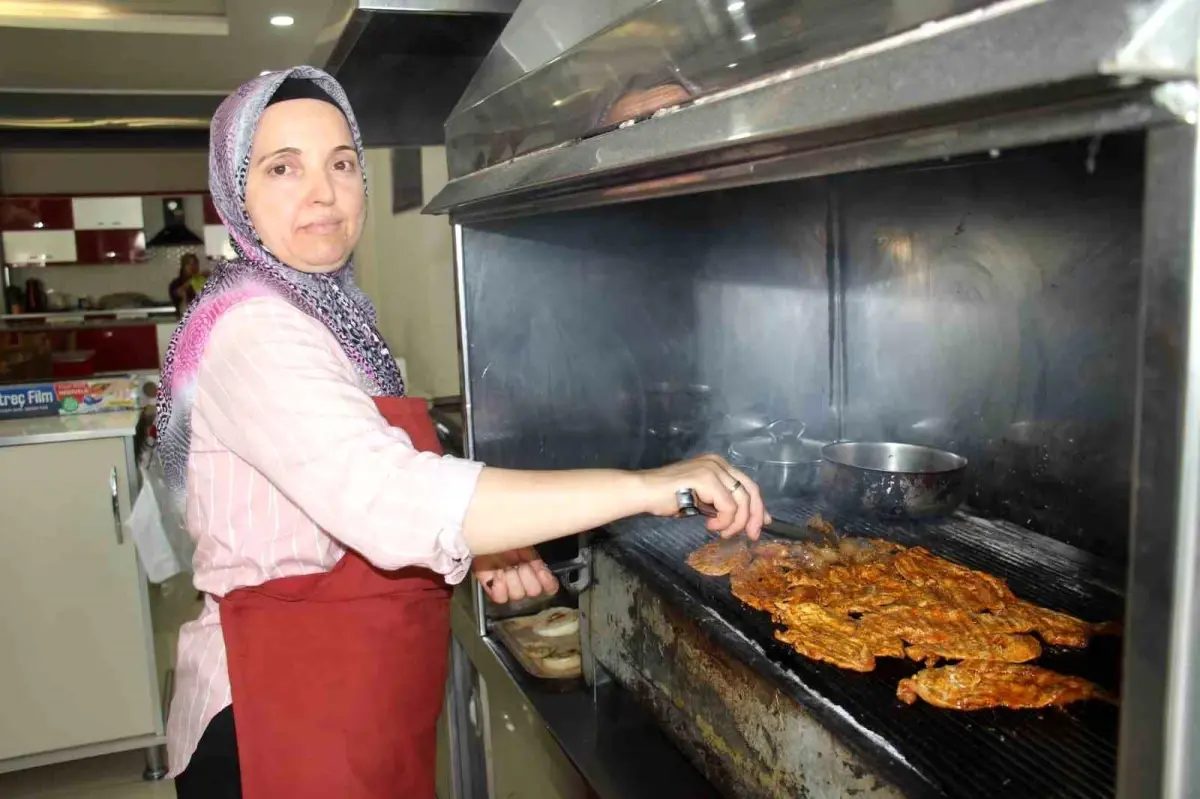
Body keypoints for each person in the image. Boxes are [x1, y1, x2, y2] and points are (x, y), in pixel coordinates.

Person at [157, 66, 766, 799]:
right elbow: (389, 498)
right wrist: (647, 486)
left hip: (346, 702)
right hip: (273, 719)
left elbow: (346, 484)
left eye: (341, 163)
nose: (323, 192)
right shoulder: (256, 330)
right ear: (234, 190)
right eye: (283, 167)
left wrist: (480, 542)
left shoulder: (327, 314)